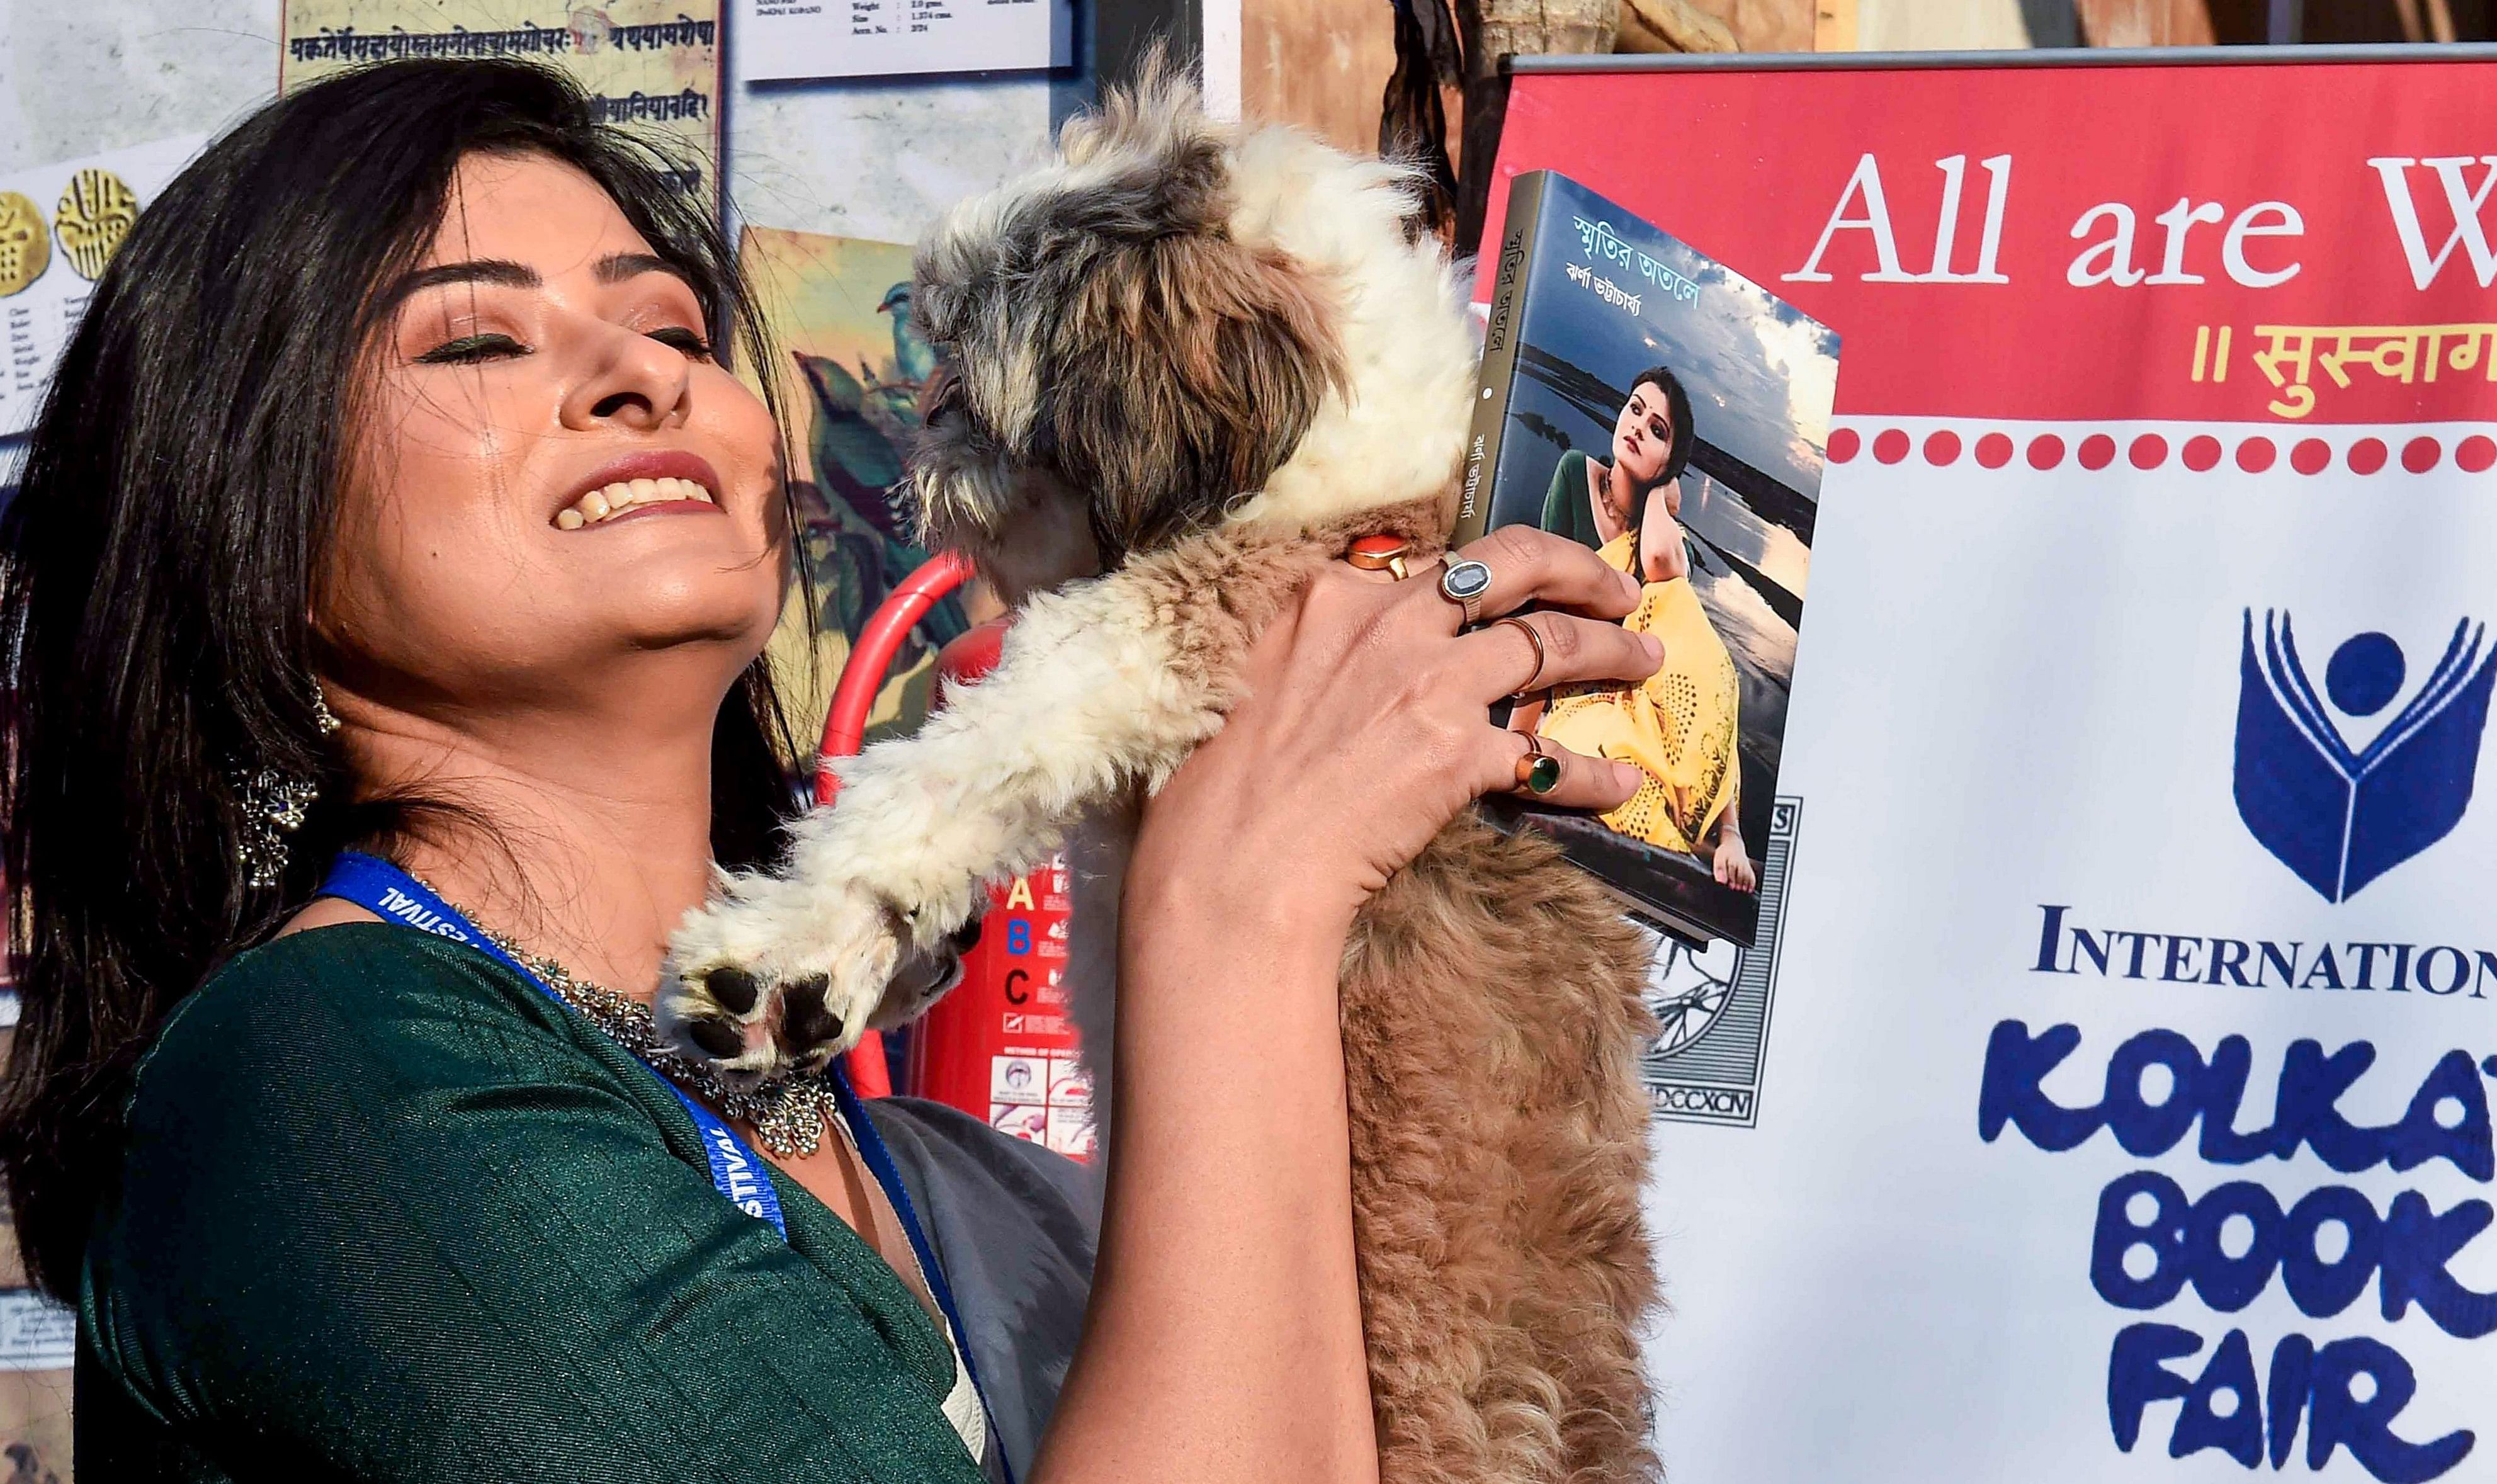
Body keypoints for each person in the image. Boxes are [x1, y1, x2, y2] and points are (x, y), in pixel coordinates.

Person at [0, 59, 1659, 1484]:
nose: (645, 371)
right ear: (247, 524)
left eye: (667, 320)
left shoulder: (957, 1177)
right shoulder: (326, 1087)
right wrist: (1241, 902)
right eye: (475, 346)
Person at [1521, 369, 1756, 892]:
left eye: (1657, 430)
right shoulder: (1574, 475)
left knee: (1706, 658)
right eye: (1634, 409)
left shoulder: (1670, 544)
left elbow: (1692, 661)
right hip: (1572, 685)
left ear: (1669, 465)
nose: (1636, 428)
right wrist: (1517, 739)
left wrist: (1656, 501)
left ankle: (1729, 829)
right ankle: (1695, 835)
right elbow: (1543, 610)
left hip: (1645, 702)